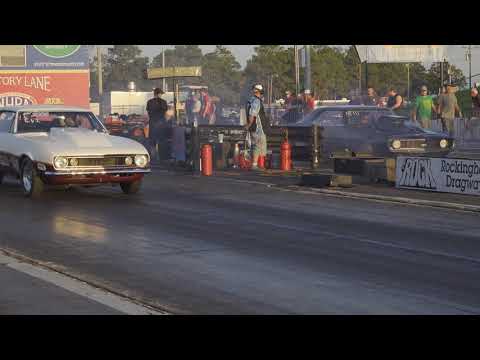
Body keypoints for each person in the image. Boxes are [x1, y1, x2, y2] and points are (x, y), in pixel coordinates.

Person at [245, 84, 269, 170]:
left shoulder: (250, 100)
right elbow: (252, 114)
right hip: (258, 127)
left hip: (254, 127)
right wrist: (249, 124)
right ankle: (254, 165)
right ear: (259, 92)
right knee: (258, 145)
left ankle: (257, 164)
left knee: (256, 145)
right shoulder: (256, 101)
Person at [146, 88, 168, 161]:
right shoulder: (163, 102)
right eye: (161, 94)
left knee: (152, 142)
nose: (161, 95)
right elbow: (165, 113)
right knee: (161, 141)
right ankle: (162, 158)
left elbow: (148, 113)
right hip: (161, 124)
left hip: (152, 124)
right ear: (158, 94)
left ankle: (153, 159)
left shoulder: (149, 102)